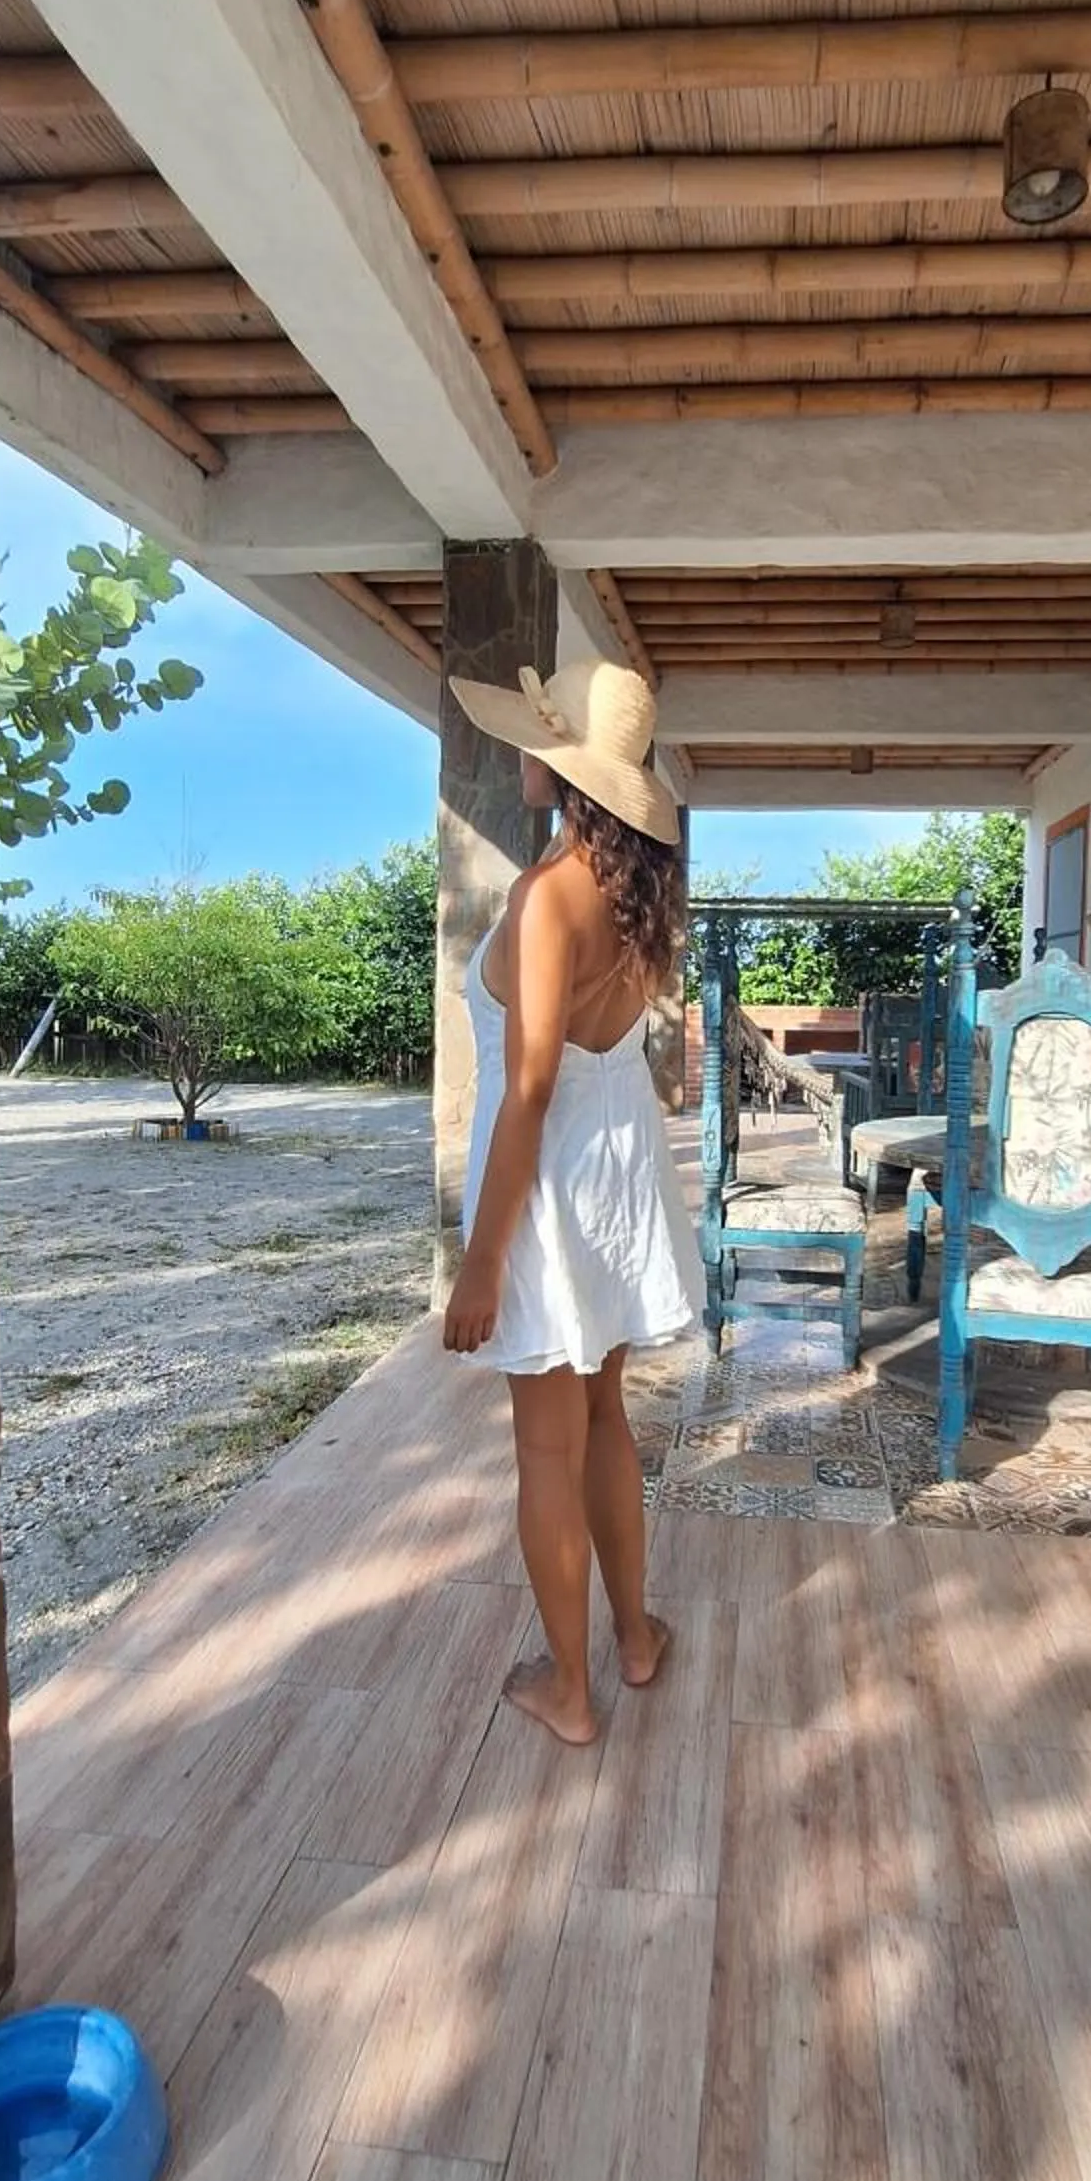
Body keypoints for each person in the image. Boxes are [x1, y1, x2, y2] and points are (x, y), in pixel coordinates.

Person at [442, 657, 700, 1745]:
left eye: (535, 742)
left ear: (565, 769)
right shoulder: (639, 893)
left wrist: (484, 1259)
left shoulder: (547, 898)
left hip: (548, 1175)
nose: (519, 753)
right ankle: (632, 1640)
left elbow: (530, 1087)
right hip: (616, 1162)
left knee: (545, 1446)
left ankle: (571, 1691)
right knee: (602, 1418)